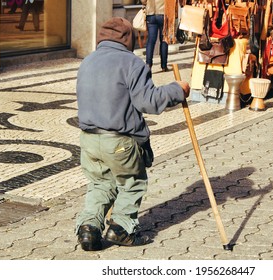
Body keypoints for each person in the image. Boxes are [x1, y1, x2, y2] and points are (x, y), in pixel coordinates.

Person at [75, 17, 190, 251]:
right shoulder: (131, 63)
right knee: (132, 182)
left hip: (88, 139)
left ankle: (89, 228)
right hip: (118, 141)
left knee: (100, 184)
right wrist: (177, 89)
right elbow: (148, 102)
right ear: (128, 38)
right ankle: (121, 229)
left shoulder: (87, 61)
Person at [140, 0, 175, 72]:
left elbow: (143, 0)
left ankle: (148, 64)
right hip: (163, 13)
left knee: (151, 41)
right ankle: (164, 66)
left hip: (151, 14)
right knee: (164, 40)